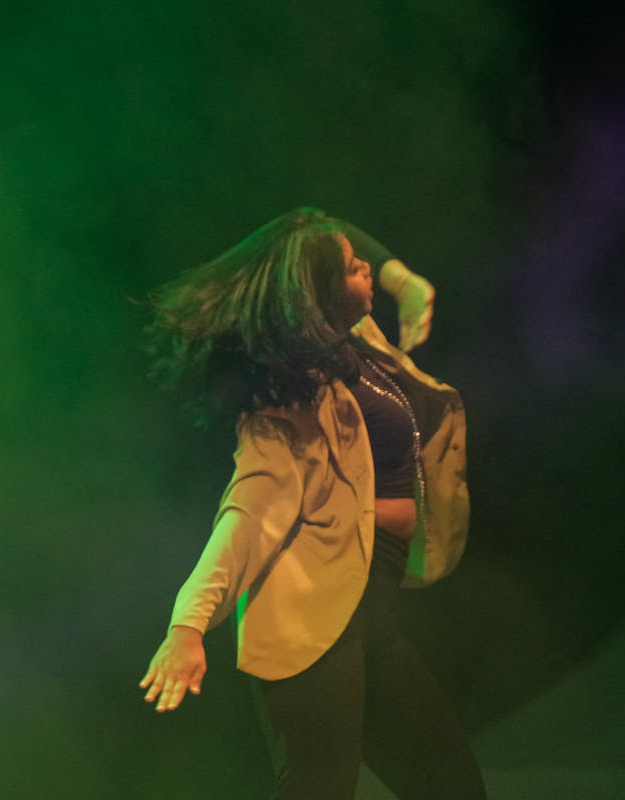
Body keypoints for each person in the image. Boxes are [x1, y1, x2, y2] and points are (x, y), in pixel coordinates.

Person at [138, 208, 485, 800]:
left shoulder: (355, 343)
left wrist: (404, 281)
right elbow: (245, 518)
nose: (367, 271)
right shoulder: (287, 407)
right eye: (356, 270)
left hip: (369, 611)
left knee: (451, 785)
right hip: (309, 620)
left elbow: (311, 224)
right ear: (325, 291)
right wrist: (188, 625)